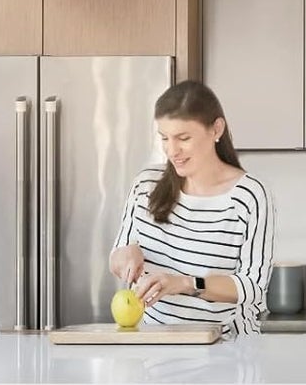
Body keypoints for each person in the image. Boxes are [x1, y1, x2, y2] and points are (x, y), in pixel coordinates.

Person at [109, 80, 273, 337]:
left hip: (227, 350)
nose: (172, 151)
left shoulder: (248, 195)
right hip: (156, 352)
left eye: (183, 138)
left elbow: (253, 287)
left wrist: (185, 283)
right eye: (164, 138)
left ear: (216, 129)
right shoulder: (145, 186)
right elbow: (118, 254)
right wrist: (125, 256)